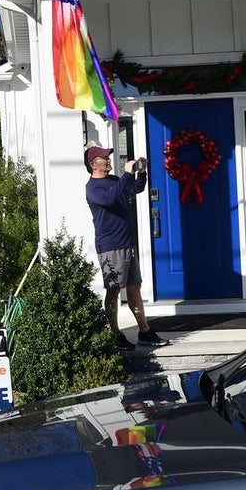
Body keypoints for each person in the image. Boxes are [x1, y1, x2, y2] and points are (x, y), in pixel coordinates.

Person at [84, 145, 169, 350]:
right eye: (105, 158)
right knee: (114, 290)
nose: (109, 160)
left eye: (108, 157)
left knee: (134, 287)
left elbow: (135, 189)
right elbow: (110, 198)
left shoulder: (114, 180)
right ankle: (115, 335)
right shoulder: (93, 188)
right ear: (94, 164)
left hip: (127, 243)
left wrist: (142, 172)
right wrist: (127, 174)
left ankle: (145, 331)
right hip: (110, 246)